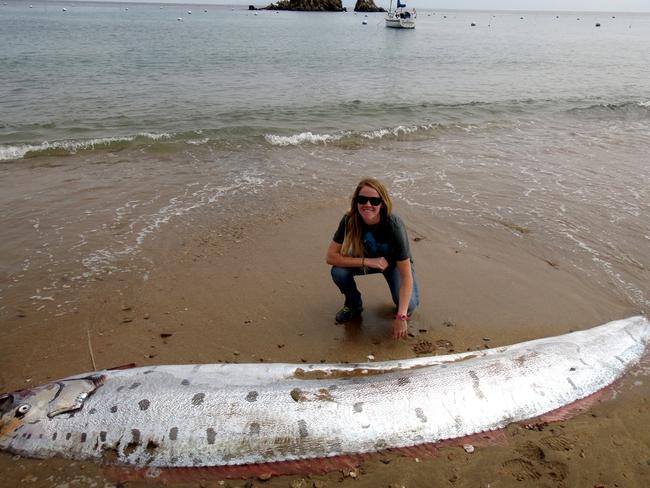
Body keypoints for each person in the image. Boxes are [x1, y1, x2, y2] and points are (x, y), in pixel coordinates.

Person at [326, 178, 420, 339]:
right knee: (339, 272)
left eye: (374, 200)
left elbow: (406, 275)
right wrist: (367, 261)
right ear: (356, 201)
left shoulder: (393, 224)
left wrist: (401, 317)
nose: (367, 204)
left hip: (394, 265)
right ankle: (353, 305)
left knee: (408, 305)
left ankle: (402, 309)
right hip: (369, 262)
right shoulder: (349, 220)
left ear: (382, 203)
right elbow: (330, 256)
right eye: (362, 199)